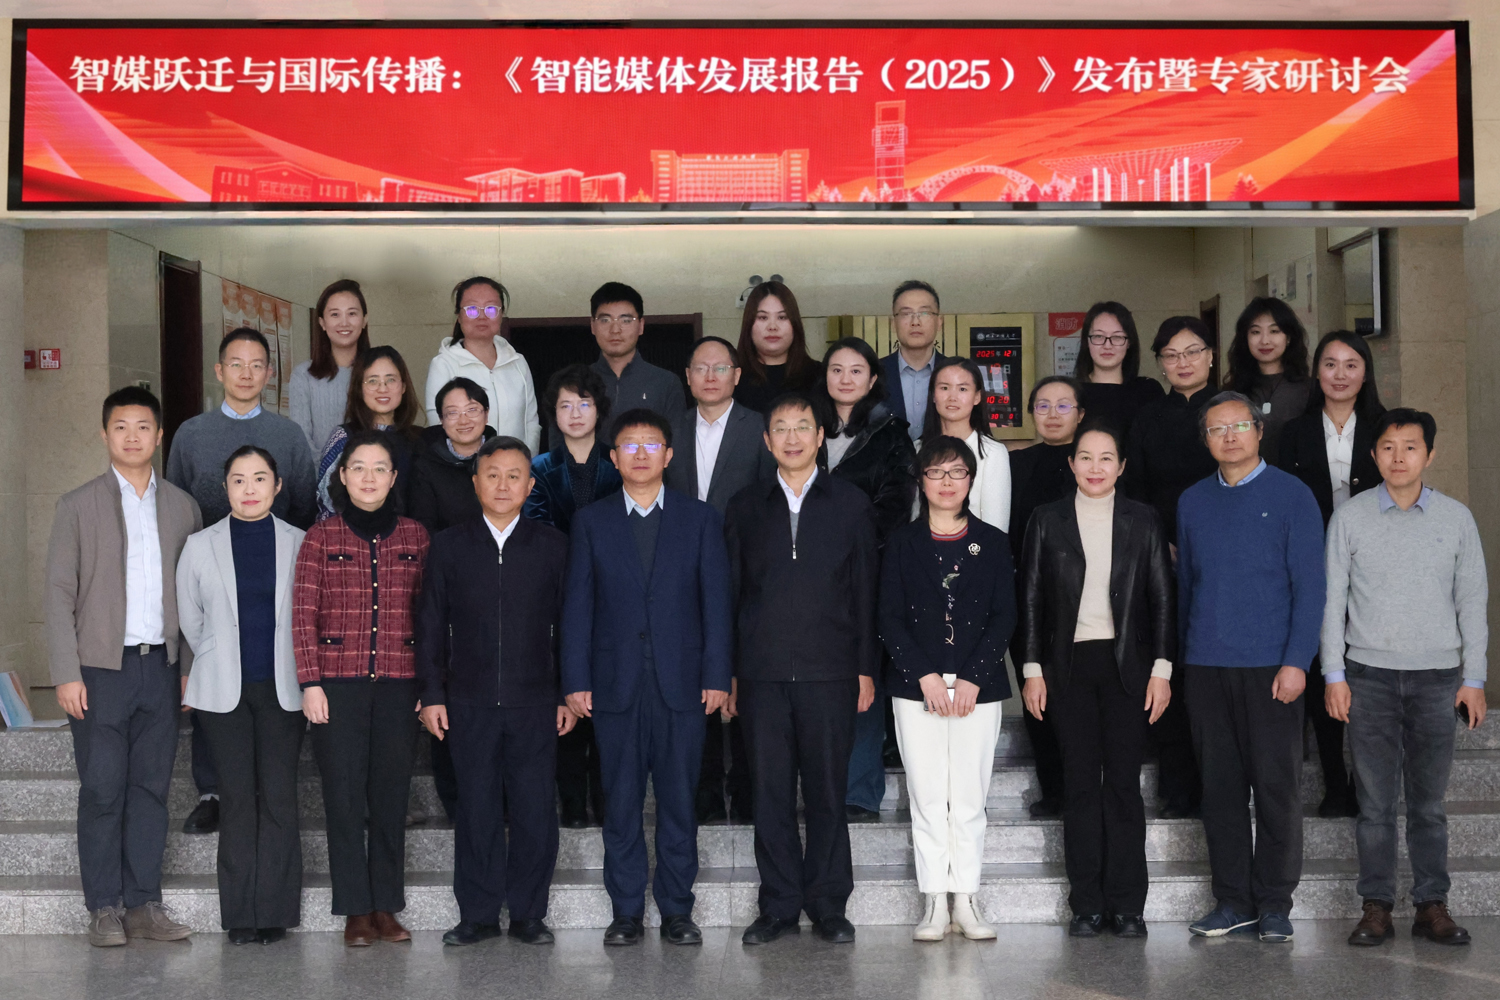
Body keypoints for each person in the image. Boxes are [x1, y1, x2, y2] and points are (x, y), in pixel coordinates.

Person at [561, 409, 733, 948]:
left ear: (669, 454)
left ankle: (678, 909)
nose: (640, 453)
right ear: (613, 458)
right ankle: (627, 912)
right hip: (614, 684)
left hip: (684, 683)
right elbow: (577, 608)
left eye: (651, 444)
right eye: (629, 445)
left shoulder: (699, 519)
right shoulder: (591, 521)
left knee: (680, 801)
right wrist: (574, 678)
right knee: (621, 802)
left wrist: (718, 674)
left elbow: (716, 605)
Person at [1324, 409, 1488, 948]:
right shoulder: (1349, 518)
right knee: (1374, 805)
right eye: (1389, 447)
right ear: (1374, 455)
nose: (1399, 457)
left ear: (1429, 455)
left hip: (1437, 679)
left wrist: (1474, 678)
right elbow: (1332, 601)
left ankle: (1431, 904)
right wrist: (1333, 673)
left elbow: (1472, 602)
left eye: (1411, 447)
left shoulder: (1456, 519)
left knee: (1428, 805)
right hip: (1367, 677)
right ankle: (1376, 907)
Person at [47, 386, 202, 947]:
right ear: (104, 434)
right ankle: (104, 907)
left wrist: (187, 667)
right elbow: (58, 593)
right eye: (120, 427)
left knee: (151, 789)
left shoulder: (183, 507)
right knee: (103, 789)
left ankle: (143, 903)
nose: (132, 437)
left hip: (160, 667)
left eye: (142, 427)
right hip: (98, 672)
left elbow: (194, 595)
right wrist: (66, 671)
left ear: (159, 436)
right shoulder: (77, 505)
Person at [725, 393, 879, 946]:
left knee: (827, 793)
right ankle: (779, 905)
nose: (792, 437)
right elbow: (730, 595)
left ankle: (829, 904)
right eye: (781, 428)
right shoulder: (745, 506)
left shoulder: (851, 504)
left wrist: (865, 669)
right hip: (761, 673)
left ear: (819, 437)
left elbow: (866, 593)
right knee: (769, 794)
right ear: (767, 441)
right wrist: (730, 673)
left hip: (830, 671)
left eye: (803, 427)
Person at [416, 436, 576, 948]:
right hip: (468, 700)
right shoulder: (448, 546)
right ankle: (479, 914)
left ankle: (529, 913)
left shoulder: (553, 546)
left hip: (536, 701)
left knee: (534, 808)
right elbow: (430, 624)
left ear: (530, 486)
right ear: (475, 483)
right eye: (492, 475)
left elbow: (570, 627)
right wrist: (432, 693)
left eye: (514, 476)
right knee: (476, 807)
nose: (503, 485)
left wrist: (566, 693)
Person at [1178, 391, 1324, 944]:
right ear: (1205, 440)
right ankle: (1232, 900)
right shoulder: (1193, 501)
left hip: (1272, 667)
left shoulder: (1292, 495)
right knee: (1219, 790)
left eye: (1240, 425)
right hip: (1206, 664)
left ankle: (1275, 902)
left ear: (1259, 432)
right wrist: (1186, 660)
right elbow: (1187, 586)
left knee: (1276, 787)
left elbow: (1310, 588)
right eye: (1217, 429)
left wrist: (1297, 662)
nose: (1229, 436)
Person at [1019, 425, 1174, 939]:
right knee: (1081, 785)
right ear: (1071, 464)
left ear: (1122, 466)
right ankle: (1086, 904)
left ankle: (1128, 905)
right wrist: (1032, 669)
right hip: (1067, 667)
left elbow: (1162, 597)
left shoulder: (1143, 519)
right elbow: (1031, 598)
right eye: (1085, 457)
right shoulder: (1047, 519)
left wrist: (1162, 669)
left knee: (1124, 786)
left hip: (1129, 666)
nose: (1095, 467)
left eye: (1106, 458)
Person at [166, 327, 318, 836]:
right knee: (216, 681)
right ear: (219, 371)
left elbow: (302, 504)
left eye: (256, 365)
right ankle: (212, 792)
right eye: (236, 363)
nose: (246, 373)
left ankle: (266, 790)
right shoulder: (191, 434)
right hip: (207, 571)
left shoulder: (288, 435)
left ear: (270, 373)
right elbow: (178, 503)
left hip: (270, 570)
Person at [293, 430, 430, 947]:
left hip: (400, 683)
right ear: (342, 477)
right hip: (338, 684)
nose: (368, 478)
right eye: (358, 468)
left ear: (393, 478)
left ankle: (386, 906)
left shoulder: (416, 536)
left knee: (391, 797)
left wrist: (430, 684)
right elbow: (302, 615)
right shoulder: (321, 537)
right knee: (344, 797)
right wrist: (311, 682)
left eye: (379, 469)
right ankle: (355, 909)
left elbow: (430, 616)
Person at [881, 436, 1015, 942]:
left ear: (971, 481)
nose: (946, 482)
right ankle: (935, 900)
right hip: (918, 686)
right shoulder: (902, 543)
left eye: (957, 472)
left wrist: (974, 676)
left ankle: (967, 898)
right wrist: (925, 676)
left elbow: (1005, 616)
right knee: (929, 795)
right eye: (935, 472)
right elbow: (889, 617)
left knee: (970, 796)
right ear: (921, 481)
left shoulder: (993, 542)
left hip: (978, 685)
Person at [176, 446, 306, 945]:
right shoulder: (199, 545)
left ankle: (273, 912)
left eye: (259, 478)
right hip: (222, 692)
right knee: (235, 800)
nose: (249, 489)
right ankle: (239, 916)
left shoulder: (299, 541)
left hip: (283, 688)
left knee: (278, 797)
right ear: (225, 487)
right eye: (238, 480)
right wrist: (216, 655)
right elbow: (191, 619)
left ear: (277, 485)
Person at [1276, 330, 1386, 818]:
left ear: (1365, 372)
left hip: (1374, 568)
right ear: (1316, 372)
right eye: (1330, 364)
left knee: (1367, 672)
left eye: (1351, 364)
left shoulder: (1385, 427)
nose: (1340, 375)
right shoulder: (1293, 433)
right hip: (1314, 565)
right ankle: (1334, 782)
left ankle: (1366, 782)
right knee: (1325, 669)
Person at [665, 336, 775, 824]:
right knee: (696, 683)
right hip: (682, 579)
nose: (710, 377)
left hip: (747, 572)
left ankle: (747, 789)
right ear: (688, 377)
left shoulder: (761, 428)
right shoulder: (669, 430)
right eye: (700, 368)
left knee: (748, 680)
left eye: (721, 368)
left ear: (737, 375)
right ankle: (706, 791)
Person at [1124, 316, 1218, 820]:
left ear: (1211, 356)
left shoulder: (1231, 411)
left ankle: (1217, 785)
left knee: (1209, 673)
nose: (1182, 363)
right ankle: (1176, 786)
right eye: (1171, 355)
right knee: (1166, 666)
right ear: (1160, 363)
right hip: (1160, 558)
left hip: (1221, 562)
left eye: (1192, 351)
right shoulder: (1148, 417)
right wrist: (1159, 542)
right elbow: (1134, 488)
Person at [820, 336, 917, 818]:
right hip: (806, 575)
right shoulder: (805, 426)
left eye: (856, 370)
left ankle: (859, 790)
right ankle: (820, 788)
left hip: (867, 571)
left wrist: (847, 546)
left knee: (864, 678)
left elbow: (896, 506)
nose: (845, 379)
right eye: (836, 369)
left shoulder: (891, 433)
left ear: (873, 379)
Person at [525, 364, 622, 830]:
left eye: (584, 403)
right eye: (566, 405)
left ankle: (605, 800)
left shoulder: (619, 462)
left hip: (614, 597)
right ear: (554, 414)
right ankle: (572, 803)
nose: (576, 413)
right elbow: (538, 531)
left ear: (599, 410)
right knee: (565, 697)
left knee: (607, 701)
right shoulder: (539, 468)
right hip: (557, 596)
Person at [1007, 376, 1086, 818]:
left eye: (1063, 405)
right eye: (1042, 406)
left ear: (1080, 414)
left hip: (1087, 600)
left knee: (1078, 698)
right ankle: (1053, 790)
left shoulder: (1091, 463)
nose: (1052, 414)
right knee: (1036, 694)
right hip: (1029, 597)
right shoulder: (1014, 465)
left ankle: (1082, 788)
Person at [423, 276, 540, 452]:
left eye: (491, 309)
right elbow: (438, 426)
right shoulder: (443, 364)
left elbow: (531, 421)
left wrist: (527, 461)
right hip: (466, 468)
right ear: (459, 316)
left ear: (501, 314)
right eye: (472, 309)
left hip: (516, 466)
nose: (482, 316)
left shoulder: (518, 362)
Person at [315, 346, 421, 521]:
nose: (382, 388)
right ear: (359, 388)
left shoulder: (419, 439)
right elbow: (326, 503)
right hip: (348, 535)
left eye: (391, 380)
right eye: (372, 381)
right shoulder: (343, 436)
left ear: (403, 386)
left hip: (407, 536)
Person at [919, 356, 1011, 532]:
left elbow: (996, 527)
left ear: (977, 397)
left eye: (962, 389)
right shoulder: (917, 448)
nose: (952, 397)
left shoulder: (992, 452)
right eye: (944, 388)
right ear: (933, 395)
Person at [1223, 297, 1314, 465]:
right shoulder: (1232, 392)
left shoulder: (1308, 389)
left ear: (1288, 338)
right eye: (1255, 332)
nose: (1265, 340)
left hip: (1293, 478)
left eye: (1274, 331)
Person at [288, 278, 371, 456]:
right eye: (335, 314)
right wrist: (329, 470)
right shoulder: (303, 376)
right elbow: (301, 440)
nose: (344, 322)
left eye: (352, 313)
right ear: (322, 323)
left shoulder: (377, 373)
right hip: (319, 472)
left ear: (364, 320)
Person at [588, 282, 686, 425]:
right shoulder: (576, 383)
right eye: (605, 320)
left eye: (626, 320)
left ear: (641, 326)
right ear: (592, 326)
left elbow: (676, 437)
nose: (615, 329)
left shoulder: (666, 383)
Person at [408, 377, 497, 536]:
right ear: (442, 420)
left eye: (472, 410)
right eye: (453, 413)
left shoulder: (506, 457)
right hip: (449, 550)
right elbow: (424, 528)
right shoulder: (425, 467)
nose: (463, 420)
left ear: (486, 414)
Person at [1073, 302, 1164, 441]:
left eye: (1117, 337)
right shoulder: (1070, 392)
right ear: (1087, 341)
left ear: (1129, 342)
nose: (1107, 345)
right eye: (1098, 336)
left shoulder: (1148, 391)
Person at [732, 280, 821, 414]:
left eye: (782, 317)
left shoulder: (818, 376)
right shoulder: (733, 378)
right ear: (749, 324)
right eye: (763, 317)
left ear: (795, 324)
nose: (772, 326)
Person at [883, 280, 948, 443]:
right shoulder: (874, 373)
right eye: (906, 314)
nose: (915, 322)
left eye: (924, 313)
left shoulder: (956, 373)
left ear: (939, 322)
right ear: (893, 323)